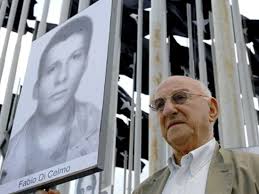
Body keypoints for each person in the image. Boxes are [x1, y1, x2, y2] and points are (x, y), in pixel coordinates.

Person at [0, 15, 101, 183]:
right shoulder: (12, 147)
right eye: (52, 68)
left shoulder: (92, 132)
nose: (63, 77)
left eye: (74, 58)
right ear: (36, 88)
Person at [133, 76, 259, 194]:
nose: (167, 110)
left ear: (211, 109)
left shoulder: (254, 170)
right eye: (160, 105)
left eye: (180, 97)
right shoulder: (144, 190)